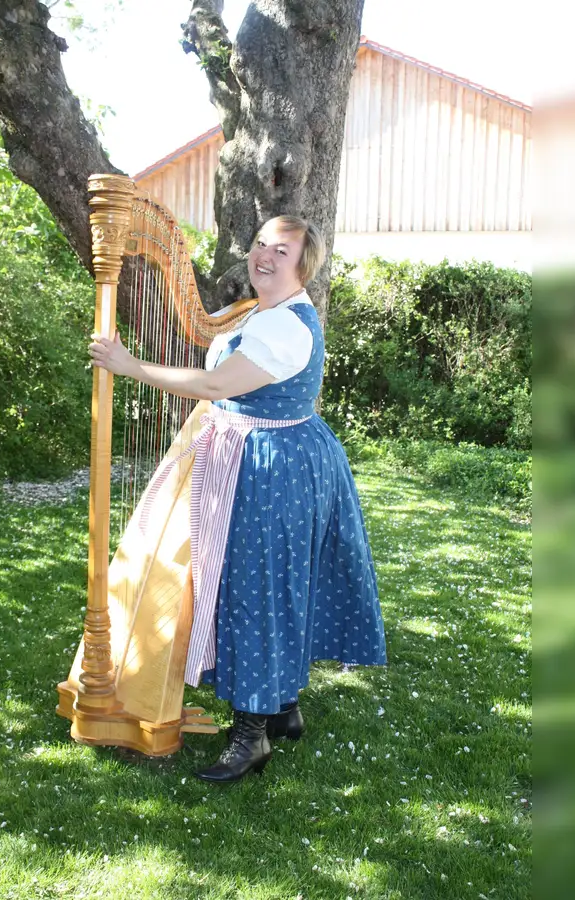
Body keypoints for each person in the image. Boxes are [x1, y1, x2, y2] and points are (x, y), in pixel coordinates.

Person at [88, 216, 388, 783]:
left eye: (281, 250)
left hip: (271, 467)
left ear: (304, 265)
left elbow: (214, 387)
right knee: (278, 581)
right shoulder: (268, 312)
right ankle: (282, 709)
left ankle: (251, 737)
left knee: (257, 587)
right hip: (277, 455)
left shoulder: (284, 327)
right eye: (259, 244)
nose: (263, 256)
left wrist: (128, 366)